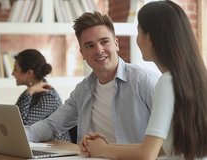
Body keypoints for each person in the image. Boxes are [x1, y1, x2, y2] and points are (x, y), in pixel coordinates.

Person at [81, 1, 207, 159]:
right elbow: (164, 148)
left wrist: (101, 150)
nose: (137, 39)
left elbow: (147, 154)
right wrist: (107, 147)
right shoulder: (197, 79)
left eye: (139, 31)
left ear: (151, 38)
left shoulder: (167, 83)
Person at [24, 11, 160, 145]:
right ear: (82, 53)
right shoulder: (83, 90)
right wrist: (20, 136)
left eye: (104, 42)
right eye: (90, 46)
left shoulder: (144, 82)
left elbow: (173, 139)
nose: (98, 50)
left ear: (116, 44)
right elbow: (52, 125)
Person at [12, 49, 71, 141]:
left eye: (15, 69)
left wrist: (29, 92)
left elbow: (22, 126)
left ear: (29, 73)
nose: (12, 73)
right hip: (39, 144)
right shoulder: (30, 92)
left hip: (57, 148)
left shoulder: (49, 96)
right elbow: (14, 118)